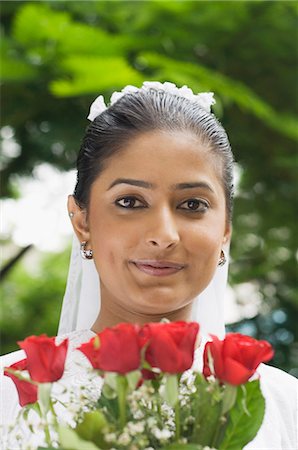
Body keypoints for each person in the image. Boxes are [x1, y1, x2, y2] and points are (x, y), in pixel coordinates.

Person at [1, 82, 297, 449]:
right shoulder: (9, 395)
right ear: (83, 222)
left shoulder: (285, 406)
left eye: (192, 205)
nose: (163, 235)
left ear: (224, 231)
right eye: (129, 201)